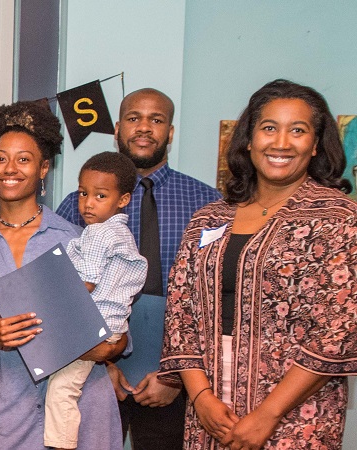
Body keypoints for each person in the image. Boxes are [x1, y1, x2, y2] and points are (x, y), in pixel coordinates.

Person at [159, 79, 357, 449]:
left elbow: (338, 330)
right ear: (248, 140)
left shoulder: (339, 218)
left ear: (315, 144)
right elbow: (181, 316)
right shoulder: (208, 218)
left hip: (296, 413)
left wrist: (268, 414)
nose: (281, 143)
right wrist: (201, 399)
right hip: (210, 408)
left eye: (297, 131)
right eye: (269, 128)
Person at [55, 88, 219, 449]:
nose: (144, 128)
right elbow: (63, 291)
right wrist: (100, 364)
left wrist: (176, 377)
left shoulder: (208, 203)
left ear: (170, 133)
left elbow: (214, 299)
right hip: (95, 370)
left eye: (156, 120)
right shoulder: (77, 204)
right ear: (117, 128)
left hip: (175, 379)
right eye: (133, 118)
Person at [0, 100, 126, 449]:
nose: (9, 168)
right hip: (10, 414)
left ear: (44, 168)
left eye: (24, 159)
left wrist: (92, 348)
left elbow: (119, 336)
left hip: (83, 411)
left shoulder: (77, 240)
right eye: (1, 158)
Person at [45, 152, 147, 449]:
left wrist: (52, 300)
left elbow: (86, 283)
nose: (88, 203)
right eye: (83, 193)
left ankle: (60, 444)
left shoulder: (99, 234)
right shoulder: (120, 233)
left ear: (123, 199)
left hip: (93, 325)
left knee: (62, 389)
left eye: (100, 195)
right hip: (109, 324)